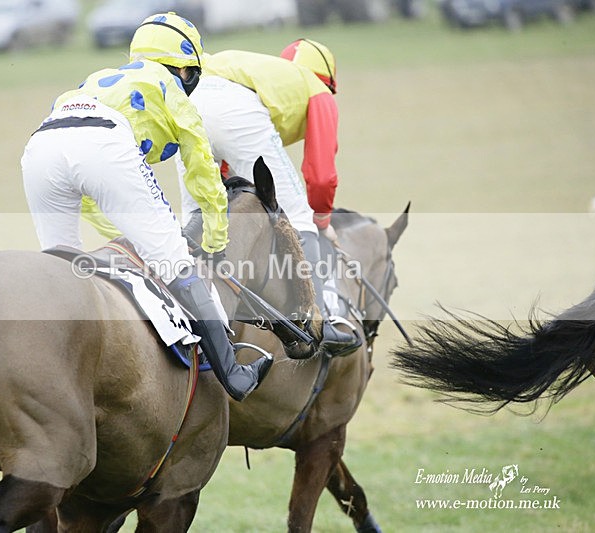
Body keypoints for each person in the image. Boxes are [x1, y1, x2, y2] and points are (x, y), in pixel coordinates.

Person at [20, 12, 272, 401]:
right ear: (186, 69)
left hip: (40, 145)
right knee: (176, 263)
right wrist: (216, 238)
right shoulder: (168, 85)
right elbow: (202, 168)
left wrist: (121, 234)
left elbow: (88, 192)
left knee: (60, 268)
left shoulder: (97, 79)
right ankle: (235, 376)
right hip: (104, 143)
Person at [176, 40, 360, 357]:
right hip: (234, 110)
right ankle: (316, 322)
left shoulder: (262, 77)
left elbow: (222, 171)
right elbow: (320, 174)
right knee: (299, 214)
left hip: (186, 103)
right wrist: (322, 220)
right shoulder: (317, 89)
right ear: (328, 80)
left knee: (196, 216)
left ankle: (184, 316)